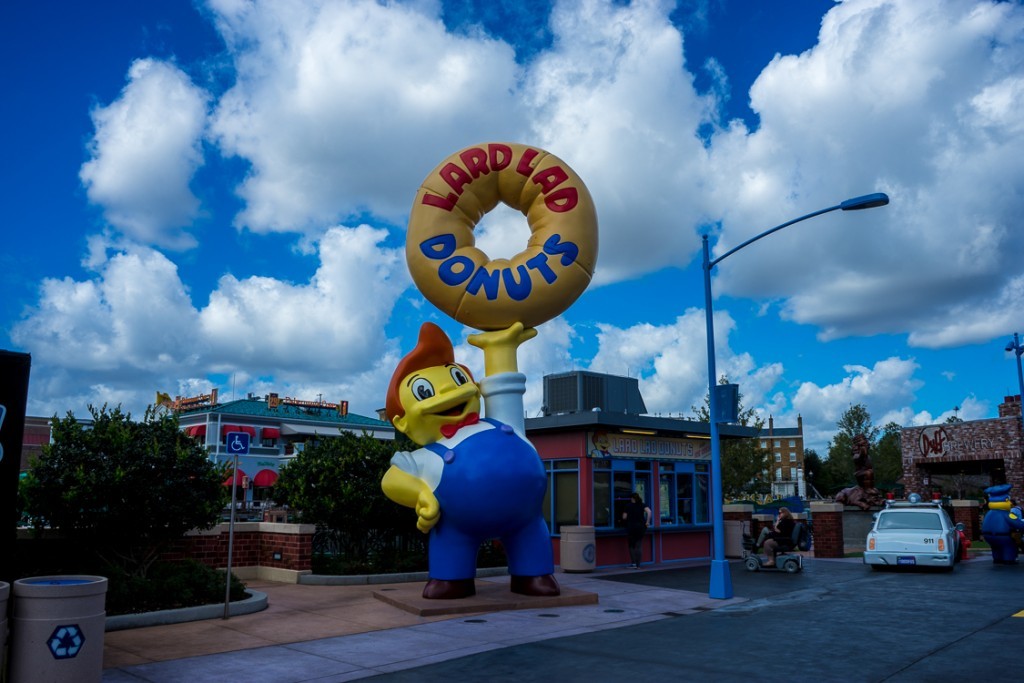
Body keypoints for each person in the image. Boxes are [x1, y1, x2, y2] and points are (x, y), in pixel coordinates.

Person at [622, 492, 651, 568]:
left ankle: (633, 563)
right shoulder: (642, 504)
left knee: (631, 545)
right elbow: (649, 512)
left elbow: (624, 517)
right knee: (638, 545)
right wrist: (647, 522)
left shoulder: (628, 506)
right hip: (641, 527)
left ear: (632, 498)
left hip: (631, 527)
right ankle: (638, 565)